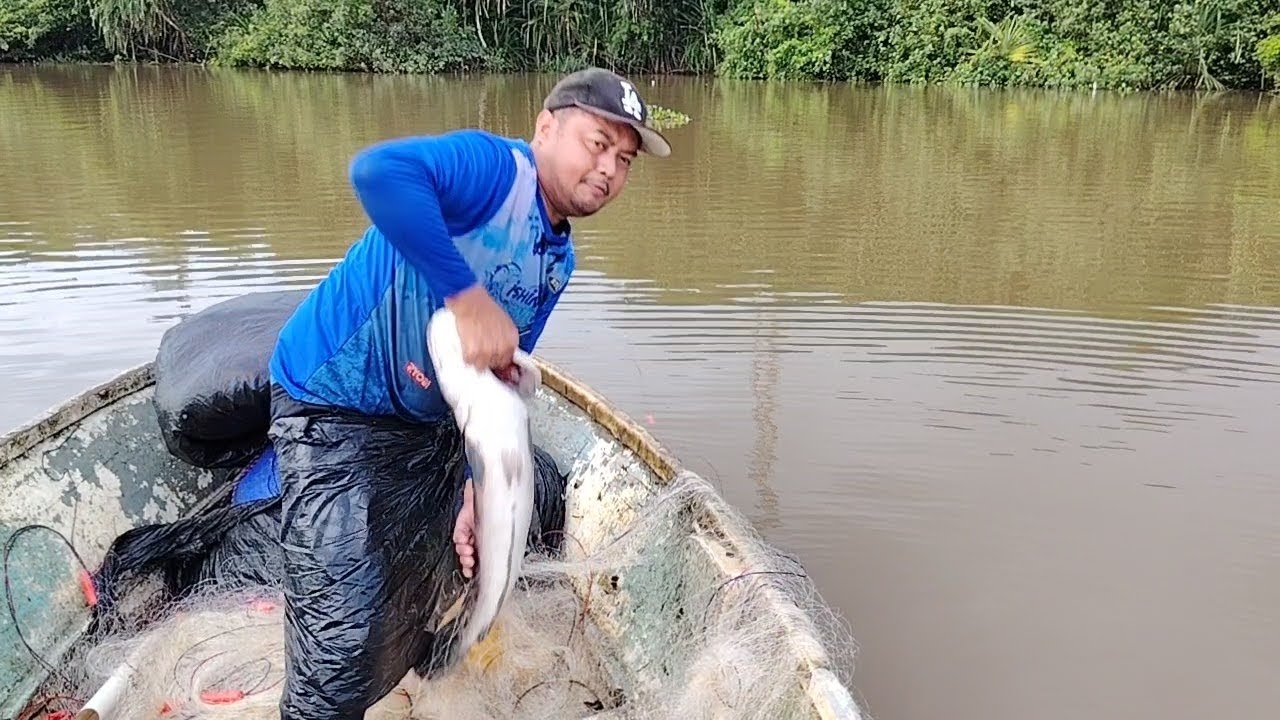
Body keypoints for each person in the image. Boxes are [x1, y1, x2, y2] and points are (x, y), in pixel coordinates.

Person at [265, 67, 671, 719]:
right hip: (332, 406)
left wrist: (472, 487)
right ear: (546, 127)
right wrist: (467, 296)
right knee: (340, 657)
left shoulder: (556, 260)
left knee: (448, 575)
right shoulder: (491, 171)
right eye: (598, 143)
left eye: (624, 160)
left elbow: (499, 386)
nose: (609, 169)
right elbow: (379, 173)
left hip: (428, 428)